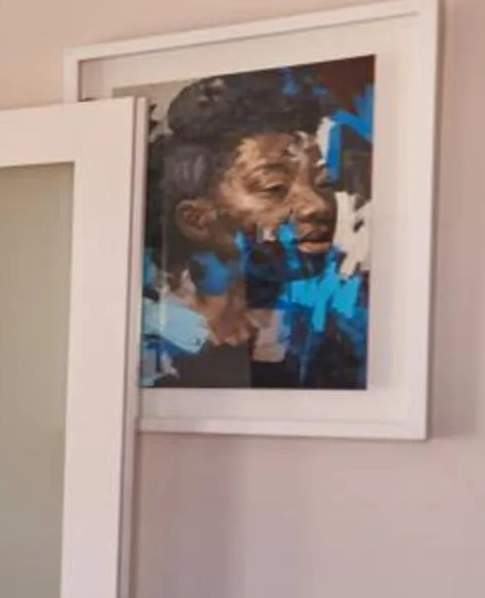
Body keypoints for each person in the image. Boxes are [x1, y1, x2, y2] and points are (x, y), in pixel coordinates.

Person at [143, 62, 372, 390]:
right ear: (197, 219)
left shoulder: (324, 327)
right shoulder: (157, 346)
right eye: (273, 188)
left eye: (323, 182)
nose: (319, 206)